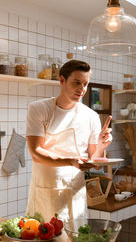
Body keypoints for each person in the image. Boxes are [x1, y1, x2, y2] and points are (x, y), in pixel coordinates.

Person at [25, 60, 112, 221]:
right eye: (77, 83)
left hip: (75, 192)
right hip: (44, 191)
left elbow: (93, 160)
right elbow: (36, 153)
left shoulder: (91, 116)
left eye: (85, 84)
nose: (82, 89)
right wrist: (71, 161)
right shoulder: (39, 109)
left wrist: (101, 145)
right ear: (62, 80)